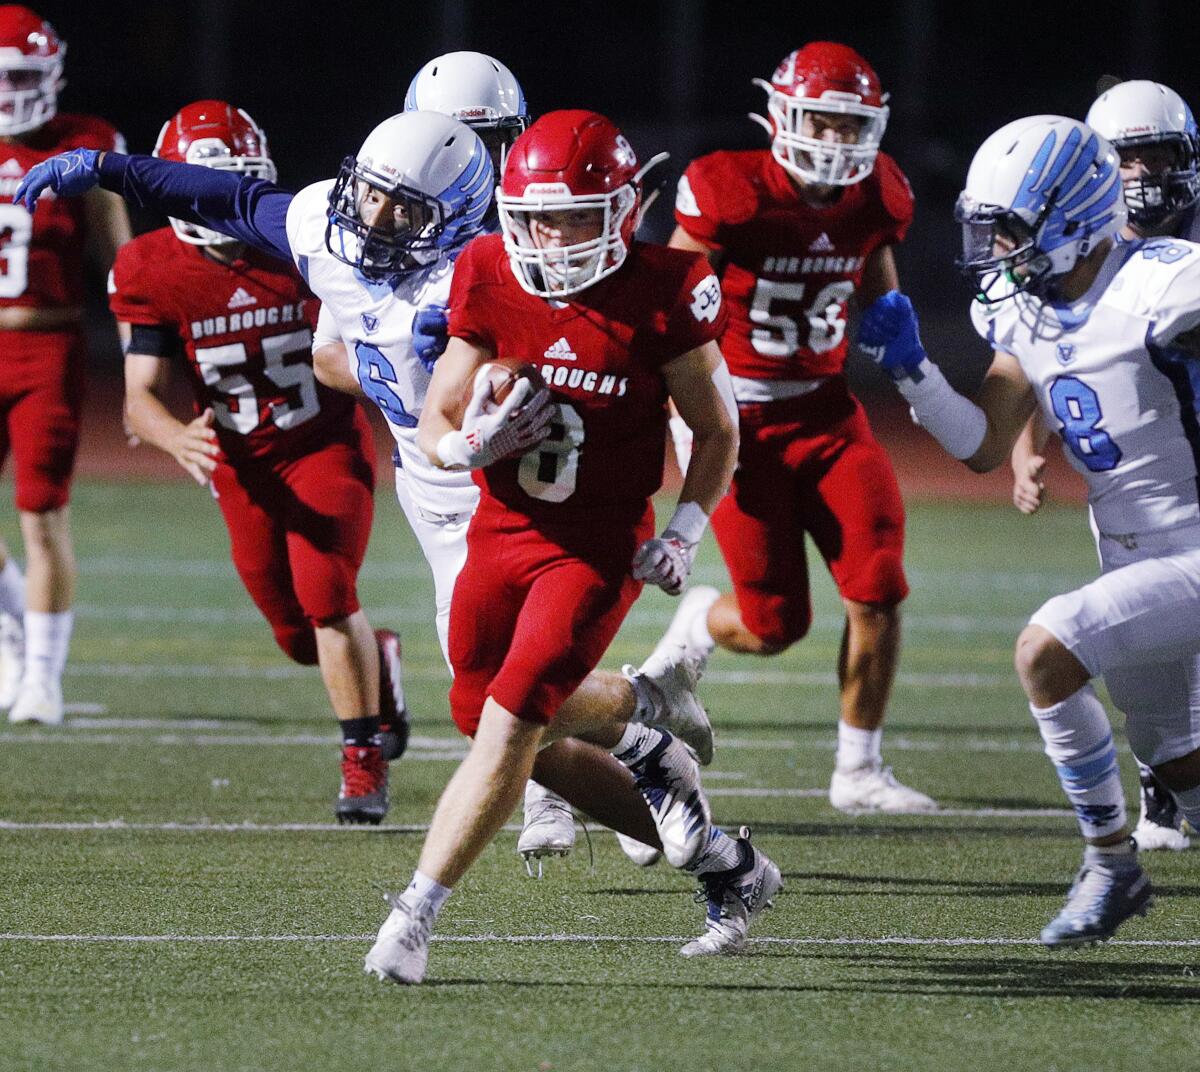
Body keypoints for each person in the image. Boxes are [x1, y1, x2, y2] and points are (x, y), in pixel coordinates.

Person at [14, 92, 713, 860]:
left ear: (454, 219)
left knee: (503, 704)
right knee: (494, 705)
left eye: (402, 211)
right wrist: (111, 169)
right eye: (369, 196)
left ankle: (653, 797)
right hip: (431, 488)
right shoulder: (327, 228)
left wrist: (496, 379)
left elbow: (594, 349)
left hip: (511, 500)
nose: (373, 222)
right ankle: (653, 753)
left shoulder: (481, 275)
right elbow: (231, 198)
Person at [361, 108, 782, 983]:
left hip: (595, 545)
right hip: (501, 531)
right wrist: (462, 448)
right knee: (490, 718)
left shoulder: (666, 288)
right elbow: (440, 411)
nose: (550, 236)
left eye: (574, 216)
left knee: (513, 719)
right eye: (534, 216)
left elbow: (716, 431)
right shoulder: (487, 267)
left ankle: (414, 916)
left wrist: (685, 530)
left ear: (625, 210)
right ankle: (705, 829)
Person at [858, 113, 1200, 946]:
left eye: (1010, 228)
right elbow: (979, 445)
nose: (997, 249)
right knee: (1178, 761)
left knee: (1046, 647)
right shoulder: (1023, 311)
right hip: (1128, 550)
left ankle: (1110, 868)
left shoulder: (1166, 281)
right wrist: (912, 372)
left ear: (1073, 212)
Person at [650, 41, 934, 814]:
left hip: (827, 409)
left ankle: (858, 770)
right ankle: (694, 632)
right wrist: (673, 407)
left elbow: (878, 291)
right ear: (781, 116)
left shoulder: (878, 193)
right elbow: (672, 304)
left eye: (851, 126)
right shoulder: (727, 189)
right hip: (736, 417)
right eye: (822, 121)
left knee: (877, 583)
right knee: (775, 624)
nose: (837, 142)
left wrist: (898, 334)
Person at [110, 100, 407, 824]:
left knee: (327, 593)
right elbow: (137, 398)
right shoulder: (148, 267)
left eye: (230, 186)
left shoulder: (300, 246)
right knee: (295, 634)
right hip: (240, 465)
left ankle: (361, 759)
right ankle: (382, 658)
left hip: (322, 444)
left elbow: (371, 338)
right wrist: (173, 436)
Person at [1009, 80, 1200, 853]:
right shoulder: (1080, 255)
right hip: (1133, 508)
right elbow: (1049, 355)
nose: (1144, 176)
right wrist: (1027, 446)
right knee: (1154, 694)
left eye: (1158, 157)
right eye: (1125, 159)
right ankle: (1163, 780)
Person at [0, 4, 130, 725]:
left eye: (22, 75)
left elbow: (118, 256)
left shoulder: (84, 144)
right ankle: (13, 632)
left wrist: (147, 347)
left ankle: (42, 676)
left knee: (42, 514)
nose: (11, 92)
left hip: (47, 346)